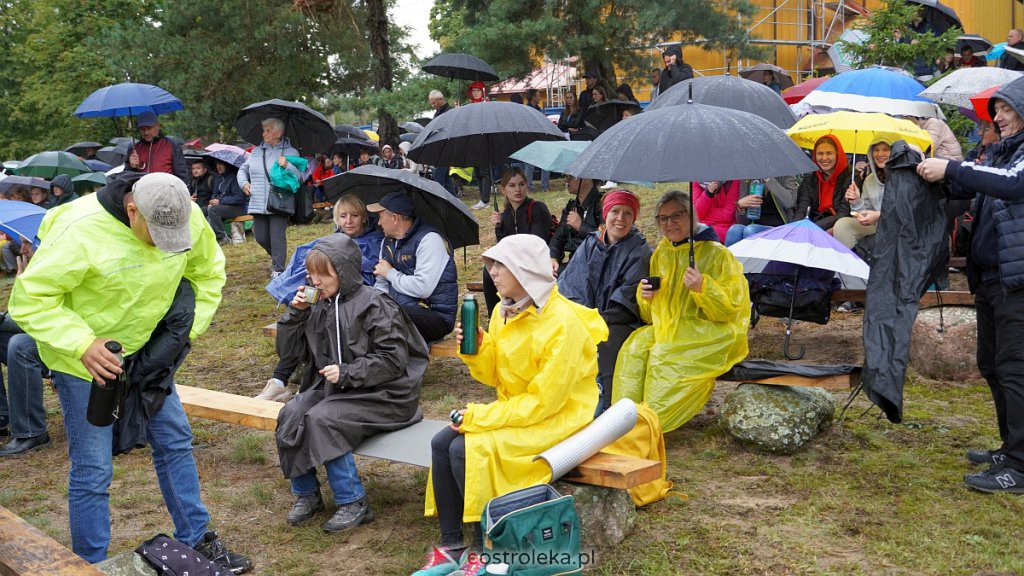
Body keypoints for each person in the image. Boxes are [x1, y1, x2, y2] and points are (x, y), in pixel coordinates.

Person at [8, 172, 251, 571]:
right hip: (87, 362)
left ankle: (198, 538)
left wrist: (184, 333)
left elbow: (208, 273)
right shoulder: (79, 229)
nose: (163, 244)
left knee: (174, 441)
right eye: (155, 233)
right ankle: (90, 564)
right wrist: (82, 343)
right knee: (94, 467)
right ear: (132, 208)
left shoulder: (184, 214)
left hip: (149, 352)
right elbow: (30, 300)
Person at [417, 234, 606, 576]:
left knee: (469, 448)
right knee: (441, 441)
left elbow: (544, 403)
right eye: (490, 265)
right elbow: (497, 377)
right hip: (524, 410)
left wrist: (481, 417)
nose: (492, 273)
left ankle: (481, 549)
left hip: (559, 417)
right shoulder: (507, 310)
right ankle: (451, 546)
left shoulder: (563, 324)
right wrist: (479, 347)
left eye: (499, 265)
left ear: (526, 270)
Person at [275, 233, 427, 533]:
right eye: (312, 274)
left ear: (342, 270)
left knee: (323, 419)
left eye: (323, 274)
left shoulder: (375, 304)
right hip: (338, 389)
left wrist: (348, 372)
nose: (316, 281)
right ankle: (306, 494)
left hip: (387, 394)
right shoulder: (319, 304)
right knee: (291, 413)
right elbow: (290, 355)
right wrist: (295, 315)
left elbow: (393, 361)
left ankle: (353, 501)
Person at [916, 77, 1024, 494]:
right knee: (993, 366)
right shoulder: (1000, 152)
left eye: (1006, 109)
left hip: (1018, 280)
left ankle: (1019, 466)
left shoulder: (1016, 160)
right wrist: (928, 172)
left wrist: (954, 167)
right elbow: (970, 189)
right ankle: (1011, 448)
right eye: (995, 110)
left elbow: (1013, 184)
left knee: (1016, 371)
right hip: (993, 277)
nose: (997, 117)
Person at [613, 190, 749, 432]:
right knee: (635, 346)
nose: (669, 223)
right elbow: (651, 315)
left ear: (691, 216)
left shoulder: (717, 254)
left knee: (664, 355)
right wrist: (645, 298)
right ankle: (623, 423)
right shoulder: (663, 253)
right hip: (671, 328)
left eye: (676, 216)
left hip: (714, 331)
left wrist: (703, 288)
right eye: (663, 218)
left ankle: (648, 428)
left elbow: (731, 310)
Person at [258, 195, 384, 402]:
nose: (348, 221)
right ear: (336, 219)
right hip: (324, 301)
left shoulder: (375, 243)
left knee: (319, 325)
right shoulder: (329, 243)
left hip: (350, 305)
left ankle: (307, 383)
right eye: (343, 216)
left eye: (354, 215)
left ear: (364, 218)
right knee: (300, 319)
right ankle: (279, 381)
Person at [557, 190, 651, 415]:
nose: (620, 218)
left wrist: (594, 320)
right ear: (605, 214)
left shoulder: (639, 251)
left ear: (634, 218)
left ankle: (606, 407)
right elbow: (571, 285)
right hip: (587, 316)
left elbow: (627, 299)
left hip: (622, 321)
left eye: (627, 213)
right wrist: (581, 317)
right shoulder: (591, 243)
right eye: (615, 211)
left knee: (603, 340)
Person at [370, 192, 458, 343]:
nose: (378, 223)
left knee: (392, 317)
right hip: (398, 310)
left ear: (395, 218)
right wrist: (376, 304)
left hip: (434, 316)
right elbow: (381, 283)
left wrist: (390, 273)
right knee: (369, 314)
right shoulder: (387, 243)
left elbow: (422, 288)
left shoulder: (430, 240)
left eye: (381, 217)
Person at [238, 117, 302, 276]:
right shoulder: (257, 151)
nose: (264, 133)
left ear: (279, 132)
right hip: (258, 200)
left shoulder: (291, 152)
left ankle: (279, 270)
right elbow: (242, 170)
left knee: (277, 237)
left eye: (268, 130)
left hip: (279, 199)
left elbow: (300, 177)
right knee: (260, 237)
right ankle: (277, 259)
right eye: (264, 130)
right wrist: (244, 183)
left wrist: (288, 165)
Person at [484, 168, 553, 314]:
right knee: (488, 270)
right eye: (512, 185)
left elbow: (537, 244)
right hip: (513, 263)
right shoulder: (506, 214)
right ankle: (495, 316)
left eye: (521, 184)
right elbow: (503, 248)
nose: (518, 190)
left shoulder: (537, 209)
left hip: (533, 263)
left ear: (527, 185)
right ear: (503, 190)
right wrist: (499, 227)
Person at [833, 139, 891, 251]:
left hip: (901, 232)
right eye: (876, 150)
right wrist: (856, 201)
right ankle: (850, 267)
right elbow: (863, 215)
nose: (879, 154)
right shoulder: (870, 180)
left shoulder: (905, 177)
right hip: (876, 229)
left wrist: (879, 215)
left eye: (886, 150)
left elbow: (907, 211)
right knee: (842, 225)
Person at [794, 135, 853, 231]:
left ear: (837, 155)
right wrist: (795, 228)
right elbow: (802, 209)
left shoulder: (851, 177)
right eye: (820, 153)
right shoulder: (810, 179)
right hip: (812, 226)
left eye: (829, 153)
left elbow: (844, 213)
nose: (824, 158)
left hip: (838, 228)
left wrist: (813, 228)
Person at [550, 175, 603, 275]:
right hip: (573, 265)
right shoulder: (572, 206)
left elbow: (607, 239)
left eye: (570, 176)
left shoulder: (602, 205)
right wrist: (553, 258)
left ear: (586, 178)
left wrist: (581, 226)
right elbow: (558, 237)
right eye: (566, 176)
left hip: (595, 268)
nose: (566, 180)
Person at [723, 177, 799, 246]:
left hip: (779, 227)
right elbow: (742, 222)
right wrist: (740, 206)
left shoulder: (786, 175)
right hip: (754, 224)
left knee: (750, 230)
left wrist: (769, 180)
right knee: (734, 229)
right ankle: (727, 261)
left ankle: (750, 261)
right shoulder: (748, 178)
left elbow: (790, 202)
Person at [125, 110, 189, 182]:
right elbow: (126, 178)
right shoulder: (134, 149)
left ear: (158, 126)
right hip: (142, 191)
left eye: (149, 128)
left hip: (167, 190)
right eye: (143, 129)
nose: (146, 132)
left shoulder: (171, 144)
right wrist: (131, 167)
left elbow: (182, 174)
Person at [207, 160, 248, 245]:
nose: (218, 166)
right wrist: (213, 200)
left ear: (227, 165)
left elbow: (239, 198)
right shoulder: (218, 178)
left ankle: (222, 237)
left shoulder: (235, 177)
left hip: (239, 208)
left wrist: (220, 201)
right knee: (204, 210)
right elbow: (215, 193)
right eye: (217, 164)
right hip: (224, 206)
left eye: (221, 164)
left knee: (213, 210)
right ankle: (209, 237)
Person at [428, 90, 456, 196]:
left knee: (439, 177)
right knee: (446, 177)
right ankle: (454, 199)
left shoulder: (450, 112)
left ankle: (437, 198)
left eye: (434, 102)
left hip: (446, 148)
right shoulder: (437, 112)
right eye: (431, 102)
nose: (432, 105)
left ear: (441, 99)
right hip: (439, 147)